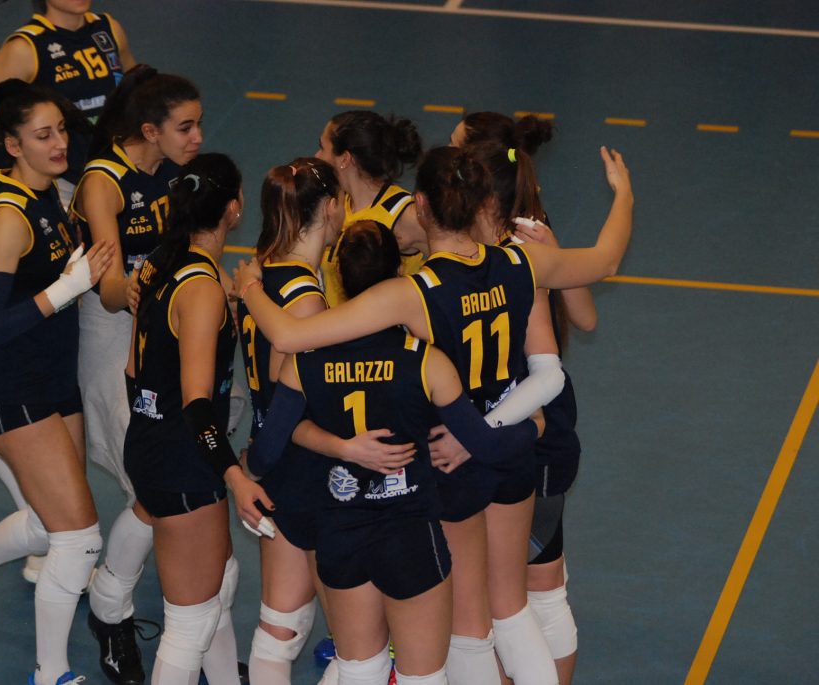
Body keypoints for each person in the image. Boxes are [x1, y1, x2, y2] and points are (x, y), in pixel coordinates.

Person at [234, 143, 633, 684]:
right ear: (481, 203)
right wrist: (624, 193)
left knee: (469, 627)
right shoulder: (523, 260)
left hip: (450, 454)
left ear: (420, 205)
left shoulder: (411, 293)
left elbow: (288, 336)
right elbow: (607, 259)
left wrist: (251, 289)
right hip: (505, 441)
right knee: (512, 609)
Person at [243, 220, 540, 685]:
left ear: (338, 277)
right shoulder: (427, 361)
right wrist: (533, 426)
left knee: (360, 671)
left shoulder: (304, 361)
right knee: (424, 676)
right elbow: (484, 445)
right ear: (401, 274)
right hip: (409, 534)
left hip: (341, 534)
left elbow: (265, 454)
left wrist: (248, 466)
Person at [0, 79, 113, 685]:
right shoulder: (8, 216)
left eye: (60, 129)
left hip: (56, 383)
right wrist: (67, 288)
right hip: (15, 391)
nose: (59, 142)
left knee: (48, 522)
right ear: (12, 145)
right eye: (43, 135)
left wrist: (72, 274)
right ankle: (50, 673)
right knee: (79, 539)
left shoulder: (50, 196)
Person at [453, 112, 597, 685]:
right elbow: (585, 316)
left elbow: (578, 322)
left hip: (519, 421)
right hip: (539, 422)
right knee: (538, 582)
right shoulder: (534, 232)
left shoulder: (508, 253)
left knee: (514, 592)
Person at [72, 65, 202, 685]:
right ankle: (111, 614)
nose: (197, 137)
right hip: (112, 338)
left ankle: (141, 615)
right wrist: (157, 283)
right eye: (185, 127)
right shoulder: (104, 182)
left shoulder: (175, 175)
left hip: (161, 332)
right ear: (150, 131)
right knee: (157, 490)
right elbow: (108, 290)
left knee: (171, 492)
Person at [126, 153, 266, 685]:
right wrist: (234, 477)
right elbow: (197, 404)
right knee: (190, 622)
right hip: (184, 460)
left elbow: (133, 369)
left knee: (217, 585)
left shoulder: (162, 264)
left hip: (152, 445)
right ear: (234, 208)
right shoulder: (202, 288)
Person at [0, 0, 137, 208]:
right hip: (67, 188)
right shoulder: (24, 48)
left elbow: (139, 96)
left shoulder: (109, 28)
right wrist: (29, 188)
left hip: (122, 171)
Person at [314, 110, 427, 306]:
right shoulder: (336, 206)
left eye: (322, 148)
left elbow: (454, 262)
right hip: (337, 323)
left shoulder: (404, 214)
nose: (317, 156)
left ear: (345, 159)